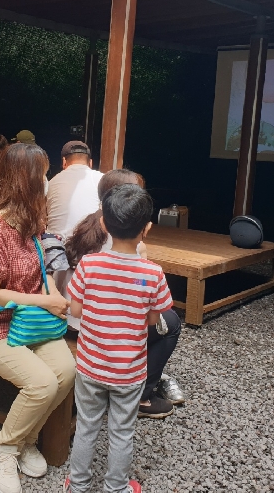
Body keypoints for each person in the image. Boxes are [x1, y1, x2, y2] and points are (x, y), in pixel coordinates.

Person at [0, 143, 74, 493]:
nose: (47, 180)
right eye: (43, 174)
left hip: (32, 321)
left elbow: (40, 273)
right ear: (26, 180)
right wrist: (47, 300)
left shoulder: (29, 221)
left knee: (66, 372)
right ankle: (3, 452)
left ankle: (25, 440)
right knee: (42, 383)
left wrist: (52, 295)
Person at [64, 184, 173, 493]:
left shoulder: (89, 265)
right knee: (122, 432)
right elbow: (153, 320)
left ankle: (78, 485)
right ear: (147, 229)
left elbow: (76, 310)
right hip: (129, 371)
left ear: (103, 223)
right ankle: (117, 487)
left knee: (87, 427)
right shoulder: (153, 274)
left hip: (90, 366)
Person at [62, 169, 186, 418]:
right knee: (171, 322)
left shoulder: (83, 227)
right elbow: (147, 312)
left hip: (73, 321)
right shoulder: (136, 248)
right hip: (101, 333)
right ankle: (142, 396)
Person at [45, 141, 103, 239]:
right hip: (90, 242)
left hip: (56, 244)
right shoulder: (101, 179)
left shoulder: (51, 182)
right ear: (90, 163)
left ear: (64, 162)